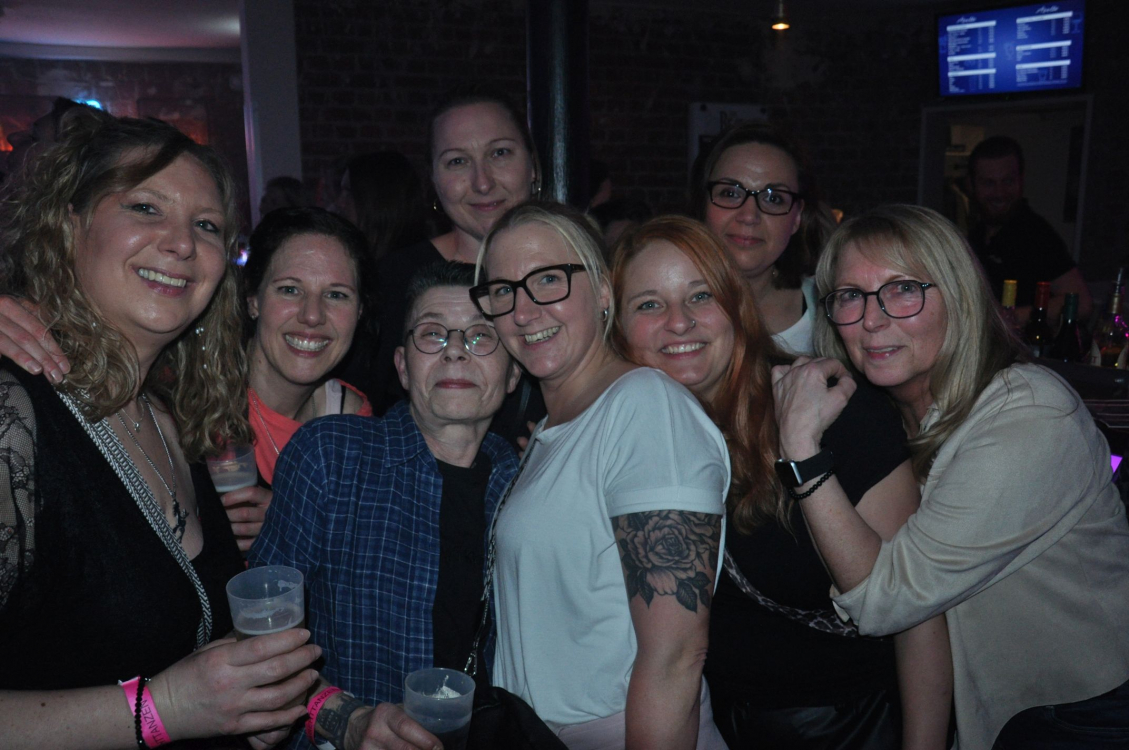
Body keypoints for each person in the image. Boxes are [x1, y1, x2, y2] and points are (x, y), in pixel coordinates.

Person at [0, 114, 321, 748]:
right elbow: (174, 696)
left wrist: (292, 712)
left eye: (207, 226)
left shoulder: (170, 420)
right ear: (69, 225)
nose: (181, 244)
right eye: (146, 207)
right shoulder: (14, 416)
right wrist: (163, 709)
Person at [776, 204, 1129, 748]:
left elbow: (886, 600)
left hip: (1083, 715)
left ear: (960, 296)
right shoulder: (882, 412)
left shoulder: (1029, 416)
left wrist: (802, 454)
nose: (871, 320)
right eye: (850, 295)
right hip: (999, 709)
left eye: (903, 289)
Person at [611, 215, 951, 750]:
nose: (679, 323)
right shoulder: (630, 436)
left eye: (700, 296)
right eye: (649, 304)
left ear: (735, 305)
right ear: (618, 328)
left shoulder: (833, 406)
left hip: (848, 725)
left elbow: (918, 618)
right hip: (711, 723)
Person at [473, 202, 731, 748]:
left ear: (604, 291)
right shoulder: (550, 428)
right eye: (503, 291)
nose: (524, 311)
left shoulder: (646, 407)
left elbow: (677, 655)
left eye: (548, 279)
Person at [250, 261, 537, 750]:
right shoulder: (331, 455)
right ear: (403, 367)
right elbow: (259, 634)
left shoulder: (526, 485)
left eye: (480, 337)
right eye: (432, 334)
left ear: (513, 372)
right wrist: (346, 720)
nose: (454, 351)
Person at [0, 206, 378, 553]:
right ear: (253, 300)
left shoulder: (355, 424)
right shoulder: (181, 396)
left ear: (360, 311)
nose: (312, 315)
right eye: (290, 290)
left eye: (336, 295)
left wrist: (297, 525)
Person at [370, 86, 546, 444]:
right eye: (457, 162)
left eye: (500, 153)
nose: (482, 183)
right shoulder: (394, 280)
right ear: (434, 181)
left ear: (533, 166)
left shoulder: (574, 275)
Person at [692, 122, 830, 356]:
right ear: (702, 204)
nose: (749, 216)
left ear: (797, 217)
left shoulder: (832, 313)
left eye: (773, 198)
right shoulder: (659, 309)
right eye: (730, 193)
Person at [966, 135, 1092, 323]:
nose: (999, 192)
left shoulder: (1035, 234)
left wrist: (1010, 317)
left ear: (1021, 180)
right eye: (989, 183)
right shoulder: (975, 234)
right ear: (971, 185)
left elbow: (1081, 303)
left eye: (1008, 181)